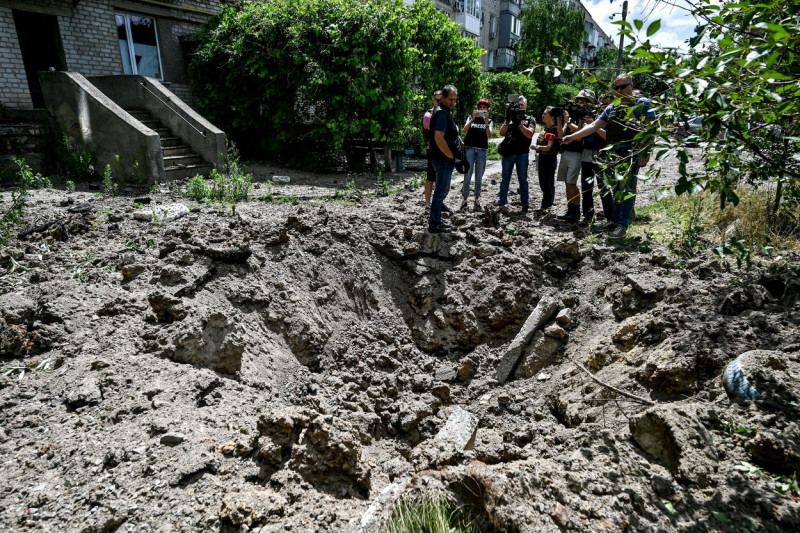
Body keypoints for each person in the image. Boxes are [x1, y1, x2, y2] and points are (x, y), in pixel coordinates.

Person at [561, 75, 655, 240]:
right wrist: (574, 136)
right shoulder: (612, 107)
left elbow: (650, 128)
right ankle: (614, 220)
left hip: (632, 152)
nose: (619, 91)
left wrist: (645, 151)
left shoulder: (642, 103)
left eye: (623, 87)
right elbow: (594, 125)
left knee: (627, 189)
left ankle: (622, 225)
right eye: (616, 88)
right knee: (617, 188)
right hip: (614, 153)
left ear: (631, 85)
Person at [428, 85, 461, 234]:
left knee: (442, 191)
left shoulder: (443, 111)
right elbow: (438, 138)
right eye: (450, 99)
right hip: (442, 159)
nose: (452, 102)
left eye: (454, 99)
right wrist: (450, 155)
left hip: (442, 158)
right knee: (441, 191)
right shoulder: (441, 113)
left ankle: (437, 220)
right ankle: (434, 224)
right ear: (442, 98)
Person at [496, 95, 535, 213]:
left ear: (526, 106)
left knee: (523, 179)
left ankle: (525, 204)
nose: (520, 107)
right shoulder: (511, 118)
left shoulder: (530, 119)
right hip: (509, 153)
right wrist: (508, 120)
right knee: (505, 179)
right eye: (518, 105)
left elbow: (530, 134)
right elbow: (501, 133)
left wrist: (519, 123)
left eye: (522, 105)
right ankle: (502, 203)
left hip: (522, 153)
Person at [461, 98, 492, 211]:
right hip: (470, 148)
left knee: (479, 176)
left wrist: (486, 122)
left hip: (482, 150)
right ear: (478, 108)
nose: (482, 109)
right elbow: (464, 130)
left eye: (484, 107)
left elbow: (489, 135)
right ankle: (464, 200)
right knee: (467, 175)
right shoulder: (470, 117)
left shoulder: (489, 120)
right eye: (481, 107)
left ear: (487, 109)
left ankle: (477, 199)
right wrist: (472, 119)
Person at [532, 106, 560, 213]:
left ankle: (547, 205)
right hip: (542, 157)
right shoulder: (546, 128)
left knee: (548, 182)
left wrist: (538, 148)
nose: (542, 115)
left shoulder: (554, 129)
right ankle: (545, 203)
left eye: (545, 114)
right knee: (542, 181)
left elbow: (549, 147)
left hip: (549, 158)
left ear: (552, 117)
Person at [422, 90, 444, 209]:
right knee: (431, 177)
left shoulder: (444, 113)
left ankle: (438, 202)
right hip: (433, 150)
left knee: (440, 179)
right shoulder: (428, 115)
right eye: (438, 100)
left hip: (443, 150)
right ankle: (428, 204)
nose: (440, 102)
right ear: (433, 100)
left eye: (442, 100)